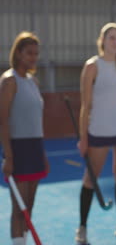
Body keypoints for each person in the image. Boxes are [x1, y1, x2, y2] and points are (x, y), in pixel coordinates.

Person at [75, 23, 116, 243]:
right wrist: (83, 137)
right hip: (99, 131)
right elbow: (85, 105)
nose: (115, 41)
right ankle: (82, 227)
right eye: (111, 37)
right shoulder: (92, 66)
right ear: (102, 40)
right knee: (90, 178)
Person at [0, 32, 49, 245]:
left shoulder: (33, 81)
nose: (33, 57)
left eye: (36, 54)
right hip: (18, 150)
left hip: (35, 148)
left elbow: (36, 120)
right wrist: (8, 157)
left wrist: (43, 152)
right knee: (18, 208)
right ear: (18, 53)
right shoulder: (10, 81)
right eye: (29, 53)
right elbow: (3, 121)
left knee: (29, 207)